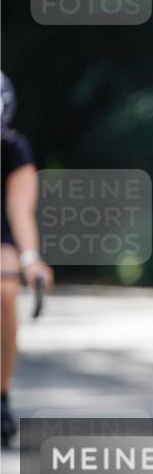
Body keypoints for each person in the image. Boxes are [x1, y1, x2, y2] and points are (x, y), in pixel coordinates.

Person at [1, 71, 53, 447]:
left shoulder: (13, 149)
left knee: (4, 289)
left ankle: (0, 396)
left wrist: (31, 259)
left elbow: (20, 212)